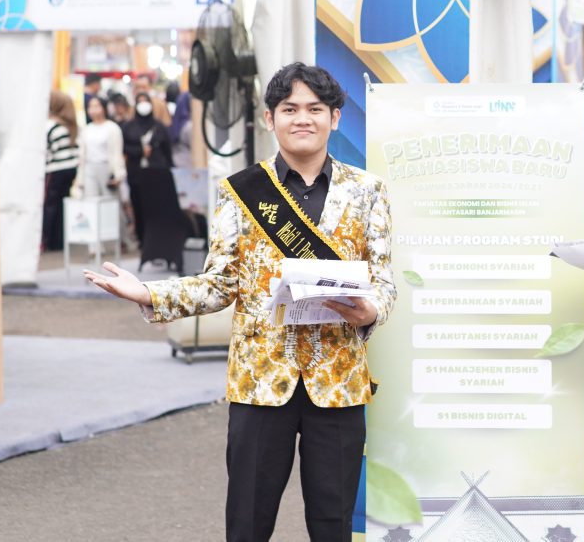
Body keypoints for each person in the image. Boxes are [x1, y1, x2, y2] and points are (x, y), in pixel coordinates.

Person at [83, 63, 396, 542]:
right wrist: (149, 292)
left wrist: (372, 310)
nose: (302, 118)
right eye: (289, 109)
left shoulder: (368, 192)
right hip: (258, 380)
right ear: (270, 118)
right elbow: (220, 283)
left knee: (333, 526)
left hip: (337, 380)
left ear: (335, 117)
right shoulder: (241, 192)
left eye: (315, 109)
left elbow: (383, 282)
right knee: (247, 522)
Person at [122, 91, 173, 245]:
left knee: (156, 206)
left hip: (156, 172)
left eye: (146, 101)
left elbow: (167, 150)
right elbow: (124, 148)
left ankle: (157, 238)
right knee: (138, 205)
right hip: (136, 174)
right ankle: (142, 237)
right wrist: (139, 151)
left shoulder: (159, 126)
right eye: (140, 101)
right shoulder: (128, 127)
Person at [42, 91, 81, 252]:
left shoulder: (51, 126)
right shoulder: (71, 126)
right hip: (70, 169)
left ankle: (48, 240)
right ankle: (59, 240)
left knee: (50, 205)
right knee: (62, 204)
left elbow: (47, 152)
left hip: (54, 170)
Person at [74, 96, 126, 198]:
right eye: (91, 107)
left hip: (106, 167)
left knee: (109, 199)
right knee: (90, 198)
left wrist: (118, 174)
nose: (93, 110)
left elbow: (117, 153)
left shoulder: (112, 128)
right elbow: (82, 154)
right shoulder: (86, 130)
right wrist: (79, 178)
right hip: (89, 168)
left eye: (97, 106)